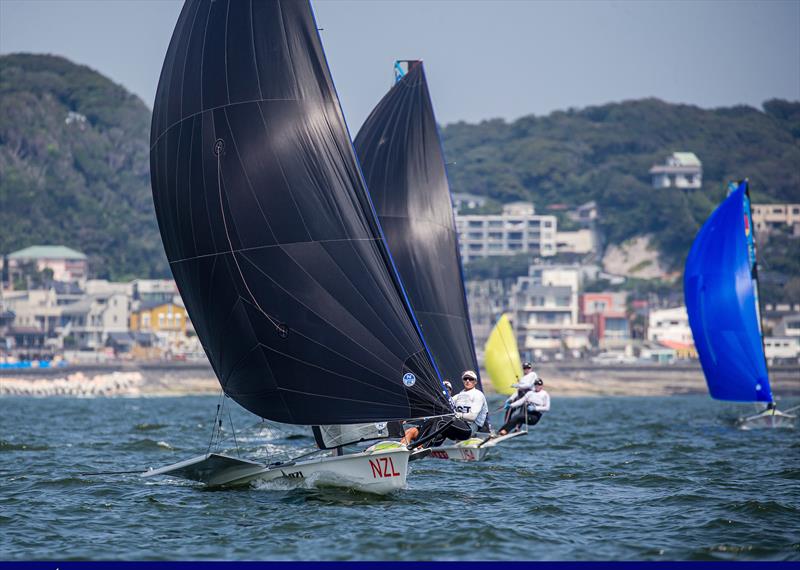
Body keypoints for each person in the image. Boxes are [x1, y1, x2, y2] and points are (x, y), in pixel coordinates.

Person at [400, 371, 487, 448]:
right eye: (465, 378)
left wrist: (457, 415)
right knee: (431, 421)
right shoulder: (456, 397)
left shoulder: (478, 395)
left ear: (475, 382)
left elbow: (472, 417)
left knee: (440, 419)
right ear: (463, 380)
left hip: (468, 430)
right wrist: (408, 419)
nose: (468, 381)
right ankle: (408, 447)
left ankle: (422, 446)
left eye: (471, 379)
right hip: (453, 429)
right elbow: (435, 411)